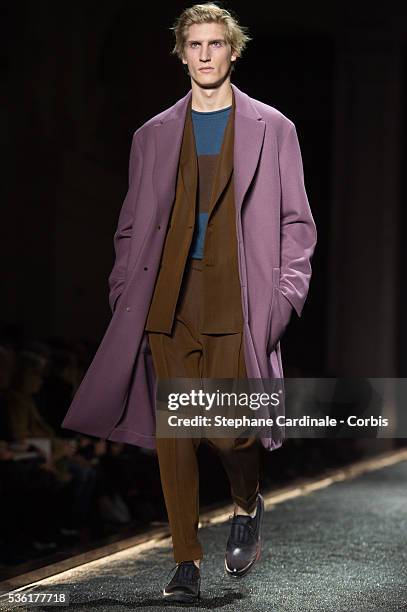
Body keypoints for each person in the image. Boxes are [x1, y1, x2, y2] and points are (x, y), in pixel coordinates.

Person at [62, 2, 317, 603]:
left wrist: (283, 301)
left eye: (216, 44)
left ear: (234, 51)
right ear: (180, 52)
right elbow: (131, 225)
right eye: (194, 44)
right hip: (167, 297)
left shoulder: (272, 128)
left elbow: (296, 224)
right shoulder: (151, 135)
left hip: (241, 297)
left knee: (230, 432)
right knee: (177, 432)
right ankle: (185, 560)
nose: (205, 55)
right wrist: (125, 288)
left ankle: (247, 500)